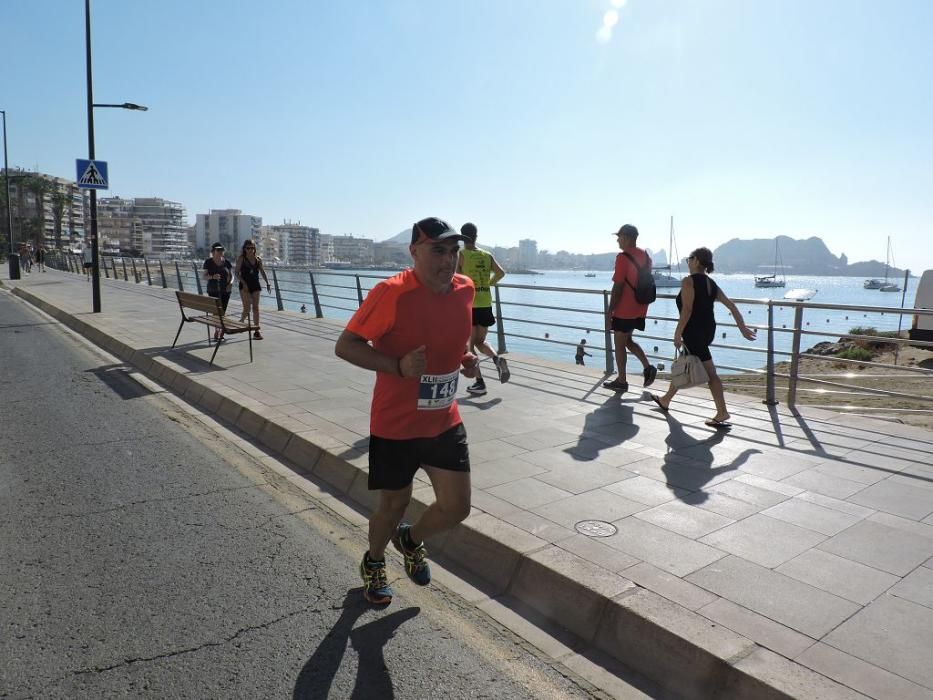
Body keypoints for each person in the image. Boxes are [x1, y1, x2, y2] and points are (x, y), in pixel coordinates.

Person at [334, 217, 479, 605]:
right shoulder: (391, 292)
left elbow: (449, 337)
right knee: (394, 503)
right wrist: (397, 366)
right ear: (414, 251)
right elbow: (346, 345)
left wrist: (464, 357)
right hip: (397, 423)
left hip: (444, 419)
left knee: (457, 507)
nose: (448, 260)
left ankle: (410, 540)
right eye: (438, 250)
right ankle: (374, 560)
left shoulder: (466, 289)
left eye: (453, 252)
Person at [649, 247, 756, 428]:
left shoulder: (688, 281)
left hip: (694, 332)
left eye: (689, 258)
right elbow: (731, 306)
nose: (688, 262)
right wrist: (742, 328)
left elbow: (687, 309)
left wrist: (677, 333)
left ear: (697, 261)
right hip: (707, 331)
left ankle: (722, 412)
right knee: (685, 360)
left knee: (711, 374)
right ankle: (666, 399)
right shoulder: (711, 283)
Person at [603, 224, 657, 392]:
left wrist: (609, 311)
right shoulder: (646, 256)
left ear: (626, 237)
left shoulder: (622, 258)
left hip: (625, 309)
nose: (618, 240)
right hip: (640, 307)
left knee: (619, 343)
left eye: (619, 236)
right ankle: (648, 367)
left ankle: (621, 380)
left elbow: (618, 287)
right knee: (627, 340)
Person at [457, 222, 509, 396]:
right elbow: (501, 272)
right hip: (486, 302)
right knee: (480, 341)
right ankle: (497, 359)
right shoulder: (487, 255)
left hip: (469, 304)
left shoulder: (461, 255)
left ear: (462, 237)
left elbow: (455, 279)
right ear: (476, 236)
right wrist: (487, 284)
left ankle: (480, 383)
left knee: (470, 347)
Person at [235, 239, 271, 340]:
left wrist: (268, 283)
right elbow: (236, 273)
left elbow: (262, 272)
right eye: (248, 248)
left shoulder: (258, 260)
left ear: (255, 248)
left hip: (255, 286)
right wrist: (244, 283)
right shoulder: (241, 258)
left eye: (252, 248)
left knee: (256, 308)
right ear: (244, 249)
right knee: (247, 309)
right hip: (244, 286)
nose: (250, 250)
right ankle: (241, 321)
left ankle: (256, 331)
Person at [203, 242, 233, 340]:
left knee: (222, 312)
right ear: (213, 251)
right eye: (218, 249)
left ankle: (220, 329)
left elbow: (232, 276)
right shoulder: (208, 262)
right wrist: (213, 277)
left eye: (222, 249)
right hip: (213, 290)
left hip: (226, 291)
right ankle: (218, 330)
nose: (220, 251)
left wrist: (231, 283)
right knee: (216, 312)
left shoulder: (226, 262)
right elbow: (204, 276)